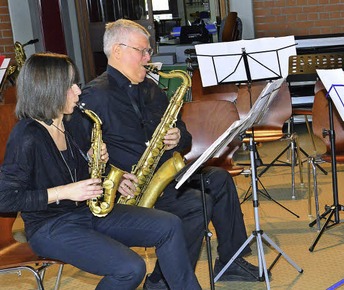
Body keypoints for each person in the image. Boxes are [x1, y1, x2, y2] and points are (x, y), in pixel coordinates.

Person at [76, 19, 260, 289]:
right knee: (197, 204)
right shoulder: (93, 96)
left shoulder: (150, 88)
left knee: (220, 180)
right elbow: (79, 153)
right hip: (130, 188)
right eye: (143, 51)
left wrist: (177, 138)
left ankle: (230, 261)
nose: (148, 57)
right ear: (117, 51)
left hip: (164, 173)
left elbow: (183, 134)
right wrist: (110, 177)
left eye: (148, 51)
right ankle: (161, 280)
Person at [0, 53, 201, 290]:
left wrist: (110, 174)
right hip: (49, 226)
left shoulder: (72, 122)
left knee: (169, 225)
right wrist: (64, 192)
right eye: (70, 86)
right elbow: (6, 198)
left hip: (88, 212)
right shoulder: (27, 135)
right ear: (49, 90)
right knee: (130, 268)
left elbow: (78, 175)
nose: (78, 91)